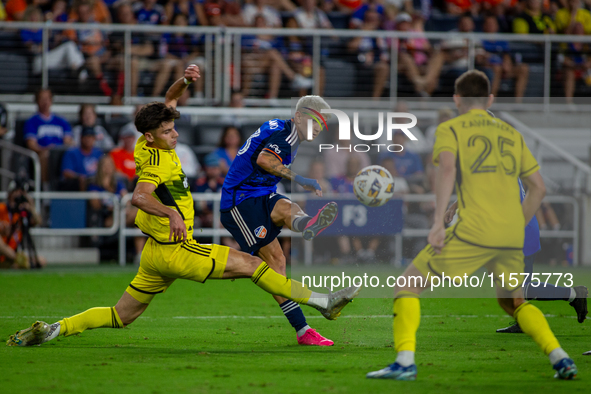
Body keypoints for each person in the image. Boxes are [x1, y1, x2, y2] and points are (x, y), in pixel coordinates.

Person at [7, 66, 360, 348]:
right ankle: (323, 303)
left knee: (120, 315)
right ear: (151, 136)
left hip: (154, 255)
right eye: (168, 130)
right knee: (256, 265)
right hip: (178, 250)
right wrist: (172, 213)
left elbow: (169, 100)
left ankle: (54, 328)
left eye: (173, 127)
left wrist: (183, 81)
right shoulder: (155, 163)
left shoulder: (147, 144)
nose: (175, 134)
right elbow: (139, 197)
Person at [366, 70, 578, 381]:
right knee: (514, 302)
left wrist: (438, 221)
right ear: (490, 99)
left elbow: (446, 171)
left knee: (407, 285)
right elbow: (539, 189)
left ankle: (404, 362)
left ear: (456, 99)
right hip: (508, 234)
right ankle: (560, 358)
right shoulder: (512, 134)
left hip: (474, 230)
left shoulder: (451, 129)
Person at [220, 95, 349, 346]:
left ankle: (306, 224)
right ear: (299, 116)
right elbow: (265, 160)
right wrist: (301, 179)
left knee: (288, 208)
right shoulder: (287, 134)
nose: (318, 129)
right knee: (276, 266)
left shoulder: (285, 130)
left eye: (321, 125)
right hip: (239, 202)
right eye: (315, 122)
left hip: (259, 194)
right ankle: (303, 330)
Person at [24, 89, 73, 183]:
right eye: (42, 99)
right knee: (46, 155)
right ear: (37, 101)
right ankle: (46, 186)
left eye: (47, 99)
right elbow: (31, 144)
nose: (45, 102)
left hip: (60, 152)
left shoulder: (61, 121)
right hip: (44, 153)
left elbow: (67, 141)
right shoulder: (32, 122)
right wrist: (46, 149)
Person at [0, 177, 44, 269]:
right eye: (16, 191)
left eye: (21, 192)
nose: (18, 195)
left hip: (15, 251)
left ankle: (17, 262)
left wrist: (31, 207)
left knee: (42, 261)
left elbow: (38, 221)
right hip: (4, 250)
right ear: (10, 193)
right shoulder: (2, 208)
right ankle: (17, 260)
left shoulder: (22, 212)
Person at [60, 127, 104, 191]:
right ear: (81, 138)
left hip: (96, 181)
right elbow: (66, 172)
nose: (88, 139)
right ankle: (83, 200)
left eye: (90, 137)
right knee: (82, 180)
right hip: (79, 182)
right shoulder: (71, 153)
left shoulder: (98, 153)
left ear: (94, 138)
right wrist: (80, 177)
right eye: (85, 137)